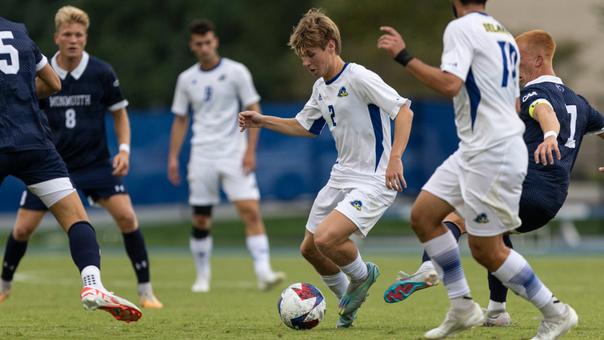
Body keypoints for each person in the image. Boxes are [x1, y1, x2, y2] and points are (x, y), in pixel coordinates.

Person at [377, 1, 577, 339]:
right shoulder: (499, 32)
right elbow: (514, 100)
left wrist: (404, 56)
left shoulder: (461, 28)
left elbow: (449, 85)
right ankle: (463, 306)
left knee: (487, 249)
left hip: (493, 151)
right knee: (424, 216)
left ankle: (556, 312)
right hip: (477, 148)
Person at [239, 8, 414, 328]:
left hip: (374, 179)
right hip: (341, 176)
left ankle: (364, 276)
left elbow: (404, 111)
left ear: (331, 46)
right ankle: (347, 304)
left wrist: (395, 157)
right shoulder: (321, 87)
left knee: (327, 238)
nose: (306, 62)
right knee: (310, 248)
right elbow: (304, 126)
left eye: (311, 54)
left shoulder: (359, 77)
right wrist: (262, 121)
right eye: (302, 56)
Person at [0, 6, 162, 309]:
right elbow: (53, 84)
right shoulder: (22, 36)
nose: (73, 40)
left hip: (91, 163)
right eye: (68, 34)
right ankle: (90, 285)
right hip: (41, 151)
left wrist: (124, 150)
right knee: (52, 223)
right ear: (56, 37)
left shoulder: (101, 71)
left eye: (79, 35)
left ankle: (146, 289)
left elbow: (119, 114)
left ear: (86, 37)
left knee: (126, 216)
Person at [168, 19, 284, 293]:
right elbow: (180, 120)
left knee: (250, 211)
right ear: (192, 46)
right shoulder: (186, 79)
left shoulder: (236, 72)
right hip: (202, 155)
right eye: (199, 44)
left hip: (234, 153)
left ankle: (264, 272)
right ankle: (202, 276)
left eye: (208, 42)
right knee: (200, 218)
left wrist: (250, 151)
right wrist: (173, 157)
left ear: (215, 41)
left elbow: (253, 109)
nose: (205, 47)